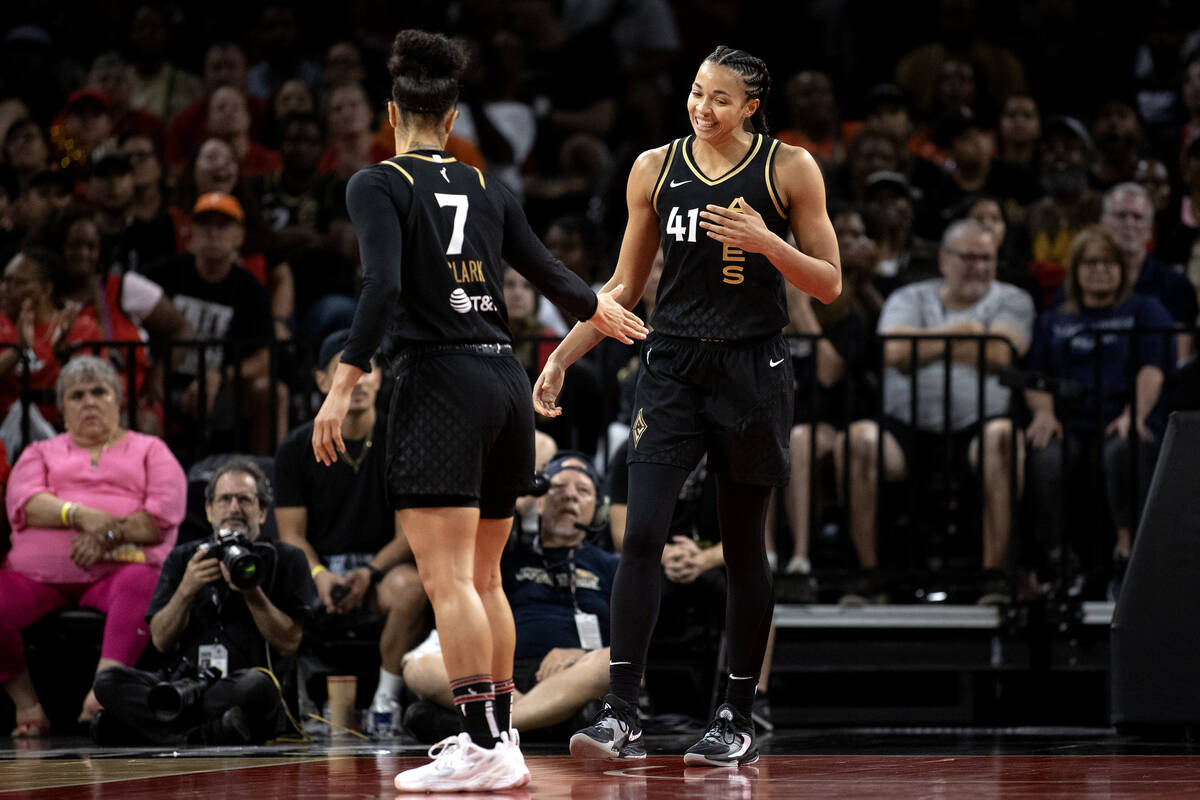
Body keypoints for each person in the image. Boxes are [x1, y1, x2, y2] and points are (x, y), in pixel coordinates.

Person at [310, 29, 644, 793]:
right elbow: (554, 273)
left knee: (449, 579)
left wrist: (341, 382)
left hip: (437, 383)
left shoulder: (378, 183)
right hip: (504, 382)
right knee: (486, 578)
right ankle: (499, 746)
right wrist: (601, 311)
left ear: (394, 113)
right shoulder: (490, 187)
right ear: (454, 112)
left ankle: (484, 741)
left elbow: (384, 288)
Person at [533, 44, 840, 767]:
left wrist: (769, 244)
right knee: (640, 536)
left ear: (751, 108)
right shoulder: (654, 167)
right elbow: (623, 285)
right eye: (699, 93)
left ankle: (735, 713)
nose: (704, 108)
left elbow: (828, 283)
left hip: (752, 369)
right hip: (671, 365)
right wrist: (559, 358)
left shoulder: (789, 167)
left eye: (721, 99)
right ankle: (621, 713)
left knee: (741, 549)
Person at [838, 219, 1033, 605]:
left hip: (978, 427)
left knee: (1005, 439)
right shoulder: (908, 298)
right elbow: (894, 353)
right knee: (857, 441)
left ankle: (994, 576)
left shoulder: (1013, 299)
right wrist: (969, 333)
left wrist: (922, 348)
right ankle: (869, 576)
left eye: (986, 258)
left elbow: (1002, 354)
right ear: (944, 259)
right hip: (905, 429)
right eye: (969, 257)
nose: (978, 266)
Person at [0, 355, 186, 736]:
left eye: (99, 392)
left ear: (117, 400)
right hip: (36, 579)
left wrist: (108, 536)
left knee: (144, 582)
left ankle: (101, 693)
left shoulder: (151, 450)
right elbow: (26, 502)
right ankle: (27, 705)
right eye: (76, 395)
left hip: (119, 573)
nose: (88, 401)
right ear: (62, 408)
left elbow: (160, 516)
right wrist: (81, 516)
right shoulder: (39, 453)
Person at [90, 457, 316, 745]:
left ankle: (153, 731)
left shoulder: (287, 559)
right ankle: (207, 734)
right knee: (107, 681)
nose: (234, 508)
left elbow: (289, 643)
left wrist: (252, 592)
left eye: (245, 500)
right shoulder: (184, 558)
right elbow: (160, 641)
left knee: (257, 686)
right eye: (224, 499)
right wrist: (186, 589)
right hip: (183, 686)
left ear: (262, 512)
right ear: (209, 511)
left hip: (241, 687)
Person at [401, 454, 618, 742]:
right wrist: (516, 502)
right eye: (558, 488)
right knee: (420, 667)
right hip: (502, 677)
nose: (570, 496)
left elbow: (633, 659)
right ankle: (527, 722)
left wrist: (583, 655)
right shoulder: (506, 554)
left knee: (612, 662)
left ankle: (492, 728)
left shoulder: (612, 566)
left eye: (583, 491)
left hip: (574, 676)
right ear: (538, 502)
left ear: (598, 510)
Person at [274, 329, 428, 723]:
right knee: (269, 578)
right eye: (345, 369)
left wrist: (370, 573)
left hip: (378, 573)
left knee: (411, 587)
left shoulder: (403, 439)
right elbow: (291, 535)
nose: (357, 380)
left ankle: (385, 700)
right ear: (323, 381)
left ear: (380, 377)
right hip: (318, 574)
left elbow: (408, 534)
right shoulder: (296, 447)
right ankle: (288, 697)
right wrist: (320, 574)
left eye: (367, 368)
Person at [1025, 226, 1173, 599]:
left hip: (1121, 417)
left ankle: (1126, 555)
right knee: (1047, 456)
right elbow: (1036, 375)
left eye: (1109, 263)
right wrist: (1044, 413)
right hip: (1070, 421)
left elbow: (1152, 368)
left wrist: (1134, 414)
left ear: (1123, 270)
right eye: (1090, 263)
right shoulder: (1053, 320)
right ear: (1075, 270)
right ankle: (1059, 559)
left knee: (1123, 448)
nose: (1100, 270)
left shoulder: (1144, 309)